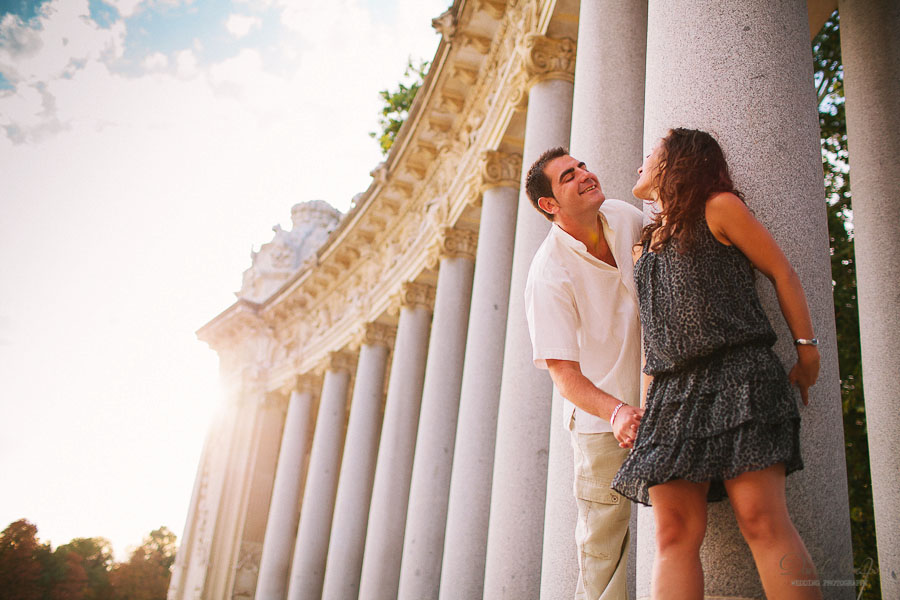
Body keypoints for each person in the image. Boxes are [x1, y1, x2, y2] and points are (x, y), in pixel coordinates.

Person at [611, 128, 822, 600]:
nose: (641, 159)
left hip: (738, 375)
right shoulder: (644, 248)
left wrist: (807, 349)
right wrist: (648, 413)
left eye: (652, 151)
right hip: (671, 397)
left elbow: (781, 271)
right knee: (672, 536)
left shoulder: (718, 207)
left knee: (761, 521)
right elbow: (655, 337)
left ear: (676, 161)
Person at [524, 147, 644, 600]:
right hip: (601, 425)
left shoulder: (624, 215)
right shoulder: (547, 273)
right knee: (603, 556)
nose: (585, 176)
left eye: (582, 167)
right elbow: (562, 373)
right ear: (549, 205)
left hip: (663, 397)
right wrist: (616, 412)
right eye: (568, 176)